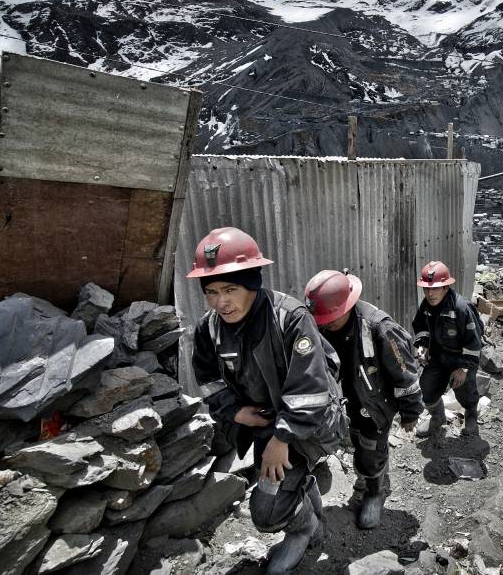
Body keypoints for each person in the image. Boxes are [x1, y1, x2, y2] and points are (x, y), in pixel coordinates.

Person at [188, 227, 347, 575]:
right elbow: (207, 379)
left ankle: (303, 520)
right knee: (270, 505)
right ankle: (306, 518)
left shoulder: (289, 318)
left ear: (253, 284)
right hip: (265, 428)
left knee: (264, 513)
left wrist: (281, 439)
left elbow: (312, 389)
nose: (221, 302)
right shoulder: (209, 329)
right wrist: (234, 412)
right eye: (211, 292)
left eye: (231, 289)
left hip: (308, 427)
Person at [305, 269, 423, 529]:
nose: (324, 324)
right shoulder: (322, 324)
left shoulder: (379, 328)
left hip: (374, 404)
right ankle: (370, 476)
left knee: (370, 448)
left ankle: (374, 492)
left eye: (329, 319)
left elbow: (405, 374)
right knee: (358, 444)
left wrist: (411, 413)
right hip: (346, 399)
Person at [411, 260, 484, 439]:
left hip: (461, 358)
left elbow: (474, 345)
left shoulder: (461, 308)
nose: (429, 293)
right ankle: (438, 418)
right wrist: (422, 349)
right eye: (426, 289)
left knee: (465, 389)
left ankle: (471, 416)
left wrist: (463, 369)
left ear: (445, 287)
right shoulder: (426, 305)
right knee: (426, 389)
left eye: (435, 288)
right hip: (437, 357)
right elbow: (421, 328)